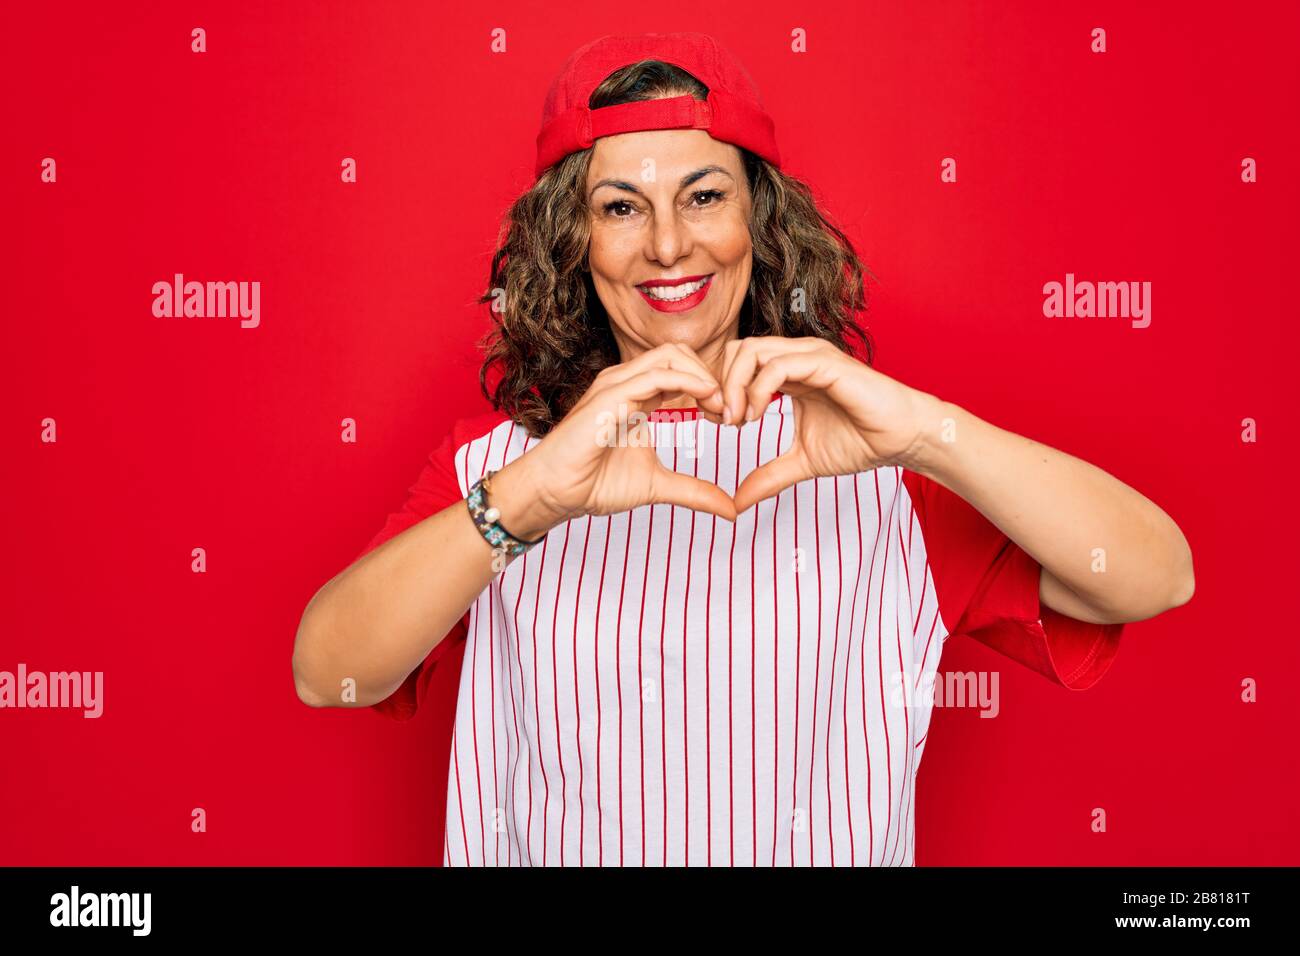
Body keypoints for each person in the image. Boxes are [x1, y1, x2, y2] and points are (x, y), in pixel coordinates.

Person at [291, 32, 1194, 867]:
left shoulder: (885, 476)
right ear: (572, 243)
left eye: (704, 196)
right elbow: (330, 673)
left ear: (758, 223)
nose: (670, 245)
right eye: (621, 207)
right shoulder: (500, 470)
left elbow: (1153, 576)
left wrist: (925, 433)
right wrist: (529, 501)